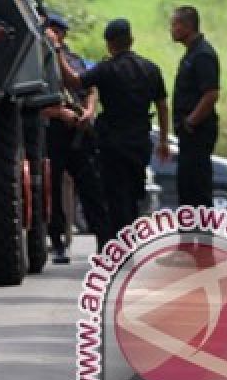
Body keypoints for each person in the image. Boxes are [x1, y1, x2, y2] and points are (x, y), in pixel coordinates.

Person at [58, 18, 169, 240]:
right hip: (139, 142)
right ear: (131, 40)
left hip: (112, 144)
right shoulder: (151, 69)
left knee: (114, 196)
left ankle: (116, 247)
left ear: (110, 44)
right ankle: (129, 243)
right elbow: (163, 106)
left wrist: (58, 50)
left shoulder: (106, 69)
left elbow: (74, 82)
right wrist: (164, 140)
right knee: (134, 195)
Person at [42, 14, 110, 261]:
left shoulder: (75, 60)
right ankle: (57, 242)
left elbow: (90, 87)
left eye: (56, 31)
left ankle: (104, 242)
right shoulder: (37, 62)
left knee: (92, 188)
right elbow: (28, 103)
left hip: (79, 133)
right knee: (53, 191)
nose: (53, 36)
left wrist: (89, 111)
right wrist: (60, 113)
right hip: (52, 132)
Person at [170, 6, 220, 208]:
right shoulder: (192, 53)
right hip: (189, 133)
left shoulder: (203, 55)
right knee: (187, 188)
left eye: (175, 24)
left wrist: (191, 121)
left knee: (197, 188)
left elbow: (211, 94)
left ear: (187, 26)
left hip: (197, 133)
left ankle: (203, 236)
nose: (171, 29)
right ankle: (190, 235)